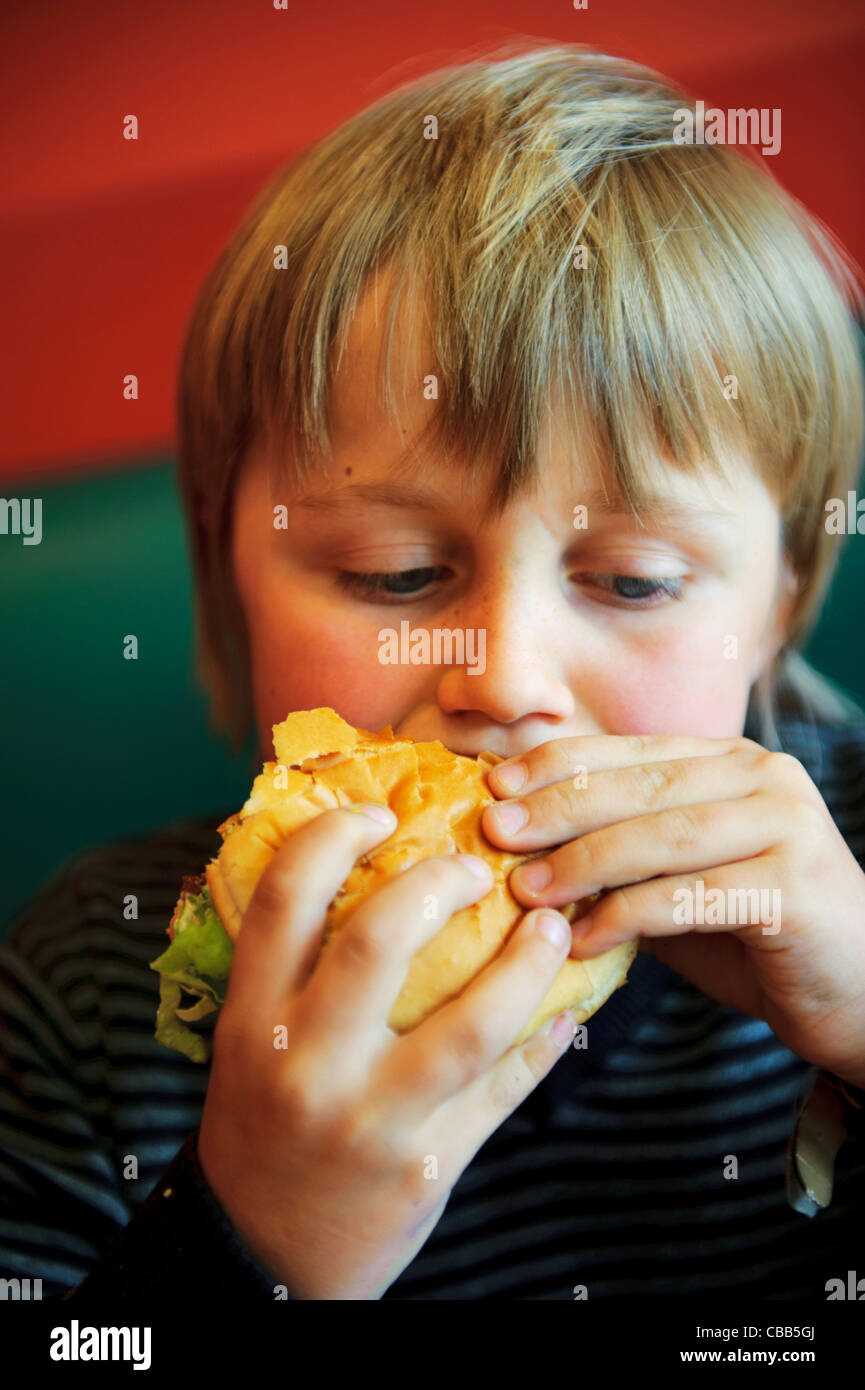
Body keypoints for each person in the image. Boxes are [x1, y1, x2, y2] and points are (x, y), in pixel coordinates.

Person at [2, 44, 864, 1304]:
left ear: (780, 598)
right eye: (393, 573)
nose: (504, 679)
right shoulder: (88, 986)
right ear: (226, 578)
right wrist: (254, 1242)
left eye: (632, 581)